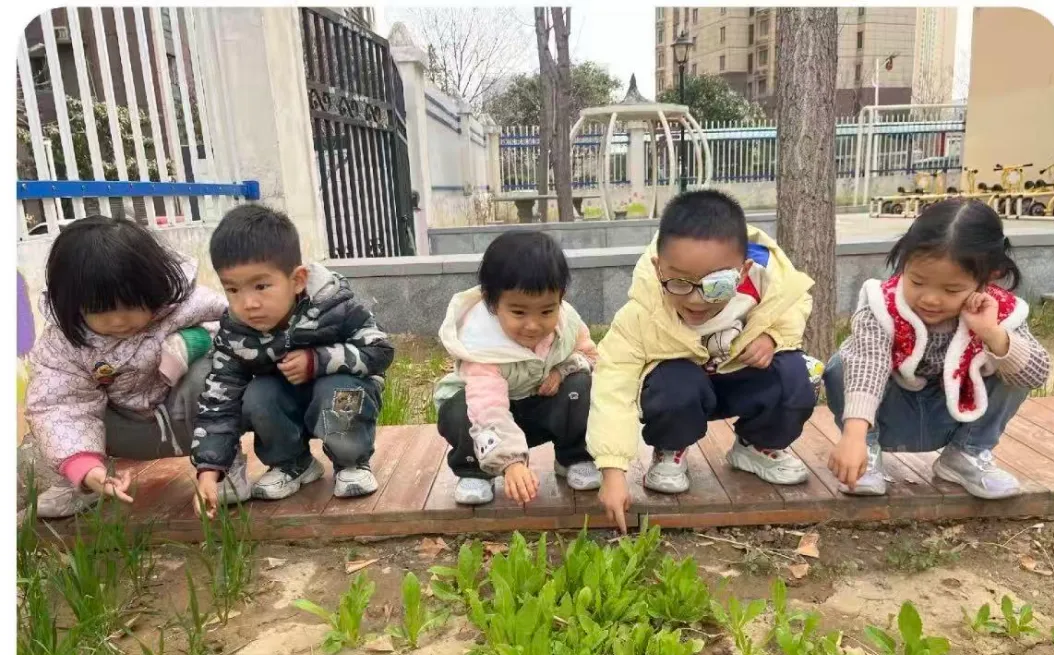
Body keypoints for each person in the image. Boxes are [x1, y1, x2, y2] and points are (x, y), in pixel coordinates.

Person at [589, 190, 818, 533]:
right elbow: (612, 387)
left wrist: (772, 337)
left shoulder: (768, 284)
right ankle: (670, 448)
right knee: (673, 382)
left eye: (716, 285)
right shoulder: (641, 315)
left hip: (740, 377)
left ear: (742, 272)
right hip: (682, 392)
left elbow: (794, 305)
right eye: (680, 282)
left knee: (795, 375)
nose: (696, 299)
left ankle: (757, 444)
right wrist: (612, 469)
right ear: (658, 268)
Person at [824, 199, 1050, 499]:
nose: (930, 299)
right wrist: (854, 435)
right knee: (842, 364)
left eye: (951, 289)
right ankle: (866, 452)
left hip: (956, 418)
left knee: (1014, 358)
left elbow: (1036, 375)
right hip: (890, 414)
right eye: (917, 281)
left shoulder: (999, 312)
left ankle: (966, 453)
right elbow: (868, 363)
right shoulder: (883, 306)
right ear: (904, 260)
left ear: (988, 278)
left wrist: (993, 334)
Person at [191, 204, 394, 516]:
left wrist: (318, 361)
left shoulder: (333, 306)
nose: (249, 303)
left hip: (338, 395)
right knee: (258, 394)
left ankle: (352, 463)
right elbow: (219, 399)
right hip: (285, 402)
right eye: (233, 289)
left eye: (261, 286)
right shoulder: (235, 333)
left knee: (341, 390)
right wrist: (208, 468)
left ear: (298, 280)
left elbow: (380, 349)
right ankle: (293, 463)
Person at [24, 215, 232, 518]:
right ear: (72, 304)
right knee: (59, 416)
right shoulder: (64, 345)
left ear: (153, 288)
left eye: (132, 305)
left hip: (187, 421)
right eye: (100, 310)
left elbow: (237, 325)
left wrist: (196, 340)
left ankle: (224, 466)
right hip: (124, 432)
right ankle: (86, 482)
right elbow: (58, 406)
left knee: (215, 371)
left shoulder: (186, 305)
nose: (119, 320)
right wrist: (86, 468)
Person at [434, 231, 601, 506]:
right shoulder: (482, 346)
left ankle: (574, 456)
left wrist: (561, 371)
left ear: (561, 297)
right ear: (492, 302)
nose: (533, 325)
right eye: (519, 313)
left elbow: (591, 356)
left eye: (546, 311)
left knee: (582, 384)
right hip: (486, 422)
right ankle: (475, 470)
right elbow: (488, 409)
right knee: (459, 411)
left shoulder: (567, 324)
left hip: (539, 412)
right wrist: (511, 462)